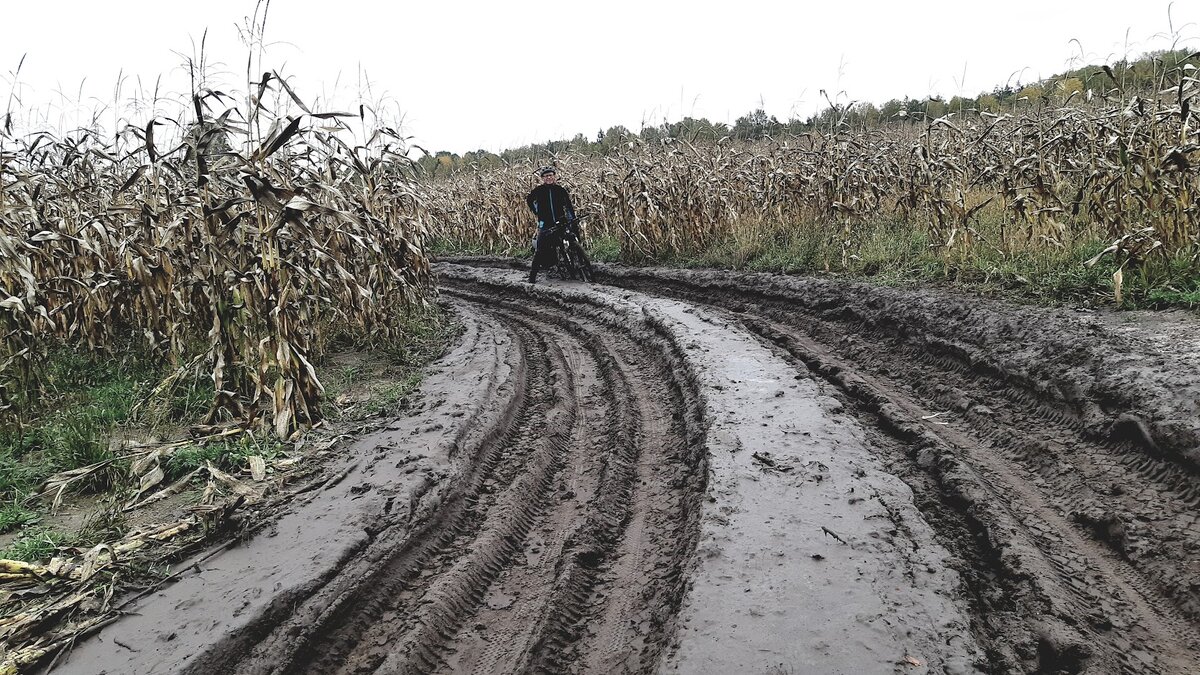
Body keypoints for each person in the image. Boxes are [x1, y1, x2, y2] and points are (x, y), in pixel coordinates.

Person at [525, 166, 576, 283]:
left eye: (551, 175)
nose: (549, 177)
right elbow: (529, 200)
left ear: (554, 176)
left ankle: (577, 263)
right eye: (546, 176)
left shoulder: (560, 190)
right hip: (546, 224)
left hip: (561, 221)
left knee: (572, 238)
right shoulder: (538, 191)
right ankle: (532, 277)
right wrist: (536, 211)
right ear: (542, 178)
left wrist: (571, 218)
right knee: (540, 249)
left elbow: (568, 206)